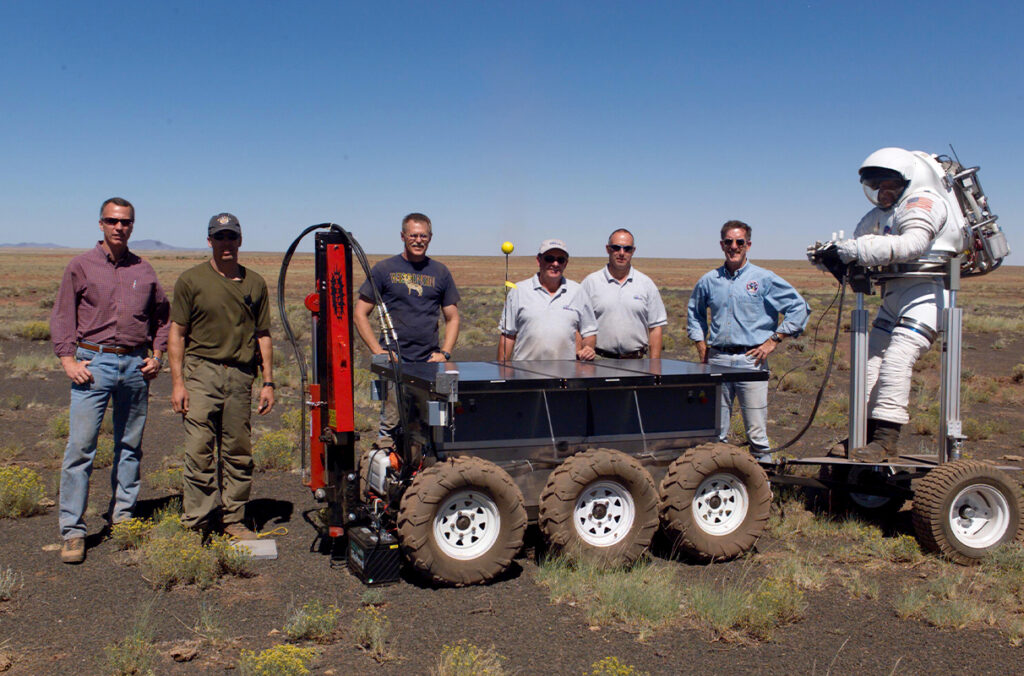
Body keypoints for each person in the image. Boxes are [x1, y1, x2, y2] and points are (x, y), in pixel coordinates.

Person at [50, 197, 169, 564]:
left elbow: (163, 316)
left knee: (130, 446)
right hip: (93, 363)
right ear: (100, 224)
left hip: (135, 366)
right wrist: (68, 359)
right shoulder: (80, 266)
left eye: (126, 222)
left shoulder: (145, 270)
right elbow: (62, 314)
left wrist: (158, 354)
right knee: (81, 449)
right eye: (112, 221)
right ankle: (73, 530)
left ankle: (123, 518)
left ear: (133, 226)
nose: (120, 227)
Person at [830, 147, 966, 461]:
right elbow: (858, 243)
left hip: (925, 295)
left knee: (897, 361)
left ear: (909, 181)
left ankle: (886, 440)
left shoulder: (924, 203)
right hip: (893, 295)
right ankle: (862, 435)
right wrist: (833, 255)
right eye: (878, 187)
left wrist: (856, 250)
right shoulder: (880, 215)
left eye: (890, 185)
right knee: (869, 366)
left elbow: (912, 243)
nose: (884, 193)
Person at [169, 213, 274, 539]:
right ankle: (196, 522)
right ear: (209, 241)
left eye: (231, 237)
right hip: (202, 372)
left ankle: (233, 519)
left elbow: (263, 334)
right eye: (219, 237)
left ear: (240, 240)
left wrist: (268, 381)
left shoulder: (255, 283)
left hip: (241, 376)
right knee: (199, 449)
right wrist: (177, 383)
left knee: (238, 452)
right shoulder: (191, 280)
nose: (225, 243)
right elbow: (177, 332)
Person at [687, 220, 809, 461]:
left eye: (739, 242)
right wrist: (702, 346)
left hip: (751, 361)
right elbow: (695, 313)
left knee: (757, 433)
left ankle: (764, 485)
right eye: (729, 242)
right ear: (722, 245)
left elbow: (799, 307)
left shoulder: (763, 279)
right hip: (717, 359)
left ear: (748, 245)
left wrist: (774, 340)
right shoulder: (709, 281)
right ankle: (719, 485)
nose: (734, 247)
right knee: (715, 431)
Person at [353, 213, 460, 447]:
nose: (418, 240)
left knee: (439, 420)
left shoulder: (440, 272)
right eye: (413, 235)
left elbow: (452, 317)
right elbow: (360, 312)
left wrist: (446, 353)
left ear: (430, 238)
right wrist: (377, 350)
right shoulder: (384, 270)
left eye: (423, 236)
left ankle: (432, 468)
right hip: (395, 361)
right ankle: (387, 464)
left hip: (430, 361)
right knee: (391, 422)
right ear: (403, 236)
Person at [498, 239, 598, 361]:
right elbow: (508, 335)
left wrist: (588, 347)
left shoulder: (578, 291)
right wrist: (502, 372)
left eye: (560, 260)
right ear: (539, 260)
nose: (555, 264)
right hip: (525, 373)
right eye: (549, 258)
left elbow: (589, 332)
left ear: (565, 264)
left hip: (566, 373)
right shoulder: (519, 291)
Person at [581, 228, 667, 359]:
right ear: (607, 249)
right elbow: (578, 325)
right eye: (616, 248)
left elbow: (655, 328)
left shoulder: (646, 284)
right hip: (599, 360)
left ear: (633, 251)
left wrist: (654, 364)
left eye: (627, 249)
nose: (622, 253)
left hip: (637, 362)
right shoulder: (590, 283)